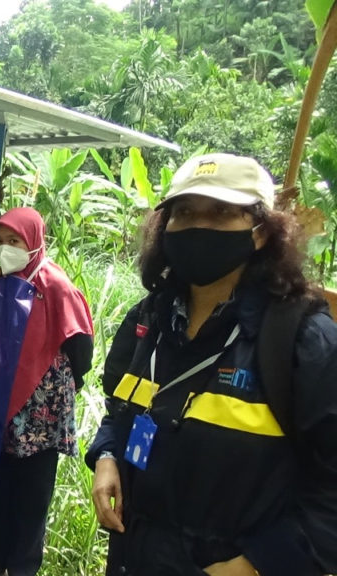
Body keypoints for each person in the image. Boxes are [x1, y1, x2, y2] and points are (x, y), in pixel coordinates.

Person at [86, 153, 337, 576]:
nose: (199, 226)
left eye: (222, 212)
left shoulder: (302, 341)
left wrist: (257, 564)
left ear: (260, 232)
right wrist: (108, 455)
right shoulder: (149, 320)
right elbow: (122, 406)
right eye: (184, 213)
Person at [0, 207, 94, 576]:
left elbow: (82, 351)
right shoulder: (3, 281)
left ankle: (21, 569)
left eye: (13, 241)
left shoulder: (55, 284)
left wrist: (54, 385)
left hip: (41, 412)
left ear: (33, 241)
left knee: (31, 497)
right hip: (4, 404)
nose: (4, 248)